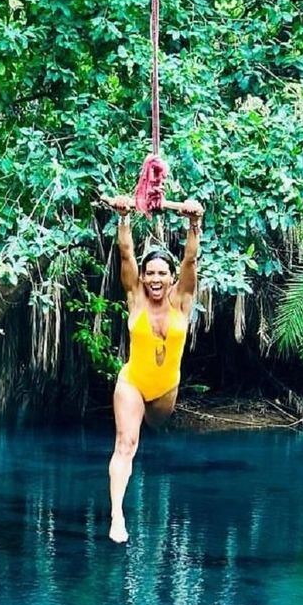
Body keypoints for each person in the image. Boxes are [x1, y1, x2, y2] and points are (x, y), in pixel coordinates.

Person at [105, 197, 203, 543]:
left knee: (157, 425)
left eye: (162, 273)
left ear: (171, 277)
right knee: (125, 444)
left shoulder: (182, 299)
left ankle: (152, 426)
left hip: (165, 390)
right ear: (143, 278)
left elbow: (191, 257)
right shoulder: (136, 297)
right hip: (133, 382)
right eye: (151, 274)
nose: (156, 279)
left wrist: (194, 223)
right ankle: (117, 514)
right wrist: (123, 218)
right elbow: (126, 254)